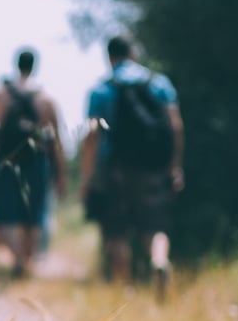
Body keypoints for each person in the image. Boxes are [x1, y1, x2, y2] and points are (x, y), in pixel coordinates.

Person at [79, 36, 184, 297]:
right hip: (152, 165)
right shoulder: (158, 83)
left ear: (109, 56)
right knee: (154, 223)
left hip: (114, 167)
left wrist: (87, 178)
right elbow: (175, 126)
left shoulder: (101, 89)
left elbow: (92, 137)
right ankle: (159, 261)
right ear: (134, 53)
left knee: (117, 229)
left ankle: (124, 290)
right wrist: (175, 165)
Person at [0, 48, 67, 278]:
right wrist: (61, 175)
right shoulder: (46, 98)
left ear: (16, 64)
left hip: (5, 161)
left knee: (6, 214)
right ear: (35, 65)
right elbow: (56, 141)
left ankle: (17, 259)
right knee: (33, 214)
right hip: (36, 162)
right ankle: (27, 262)